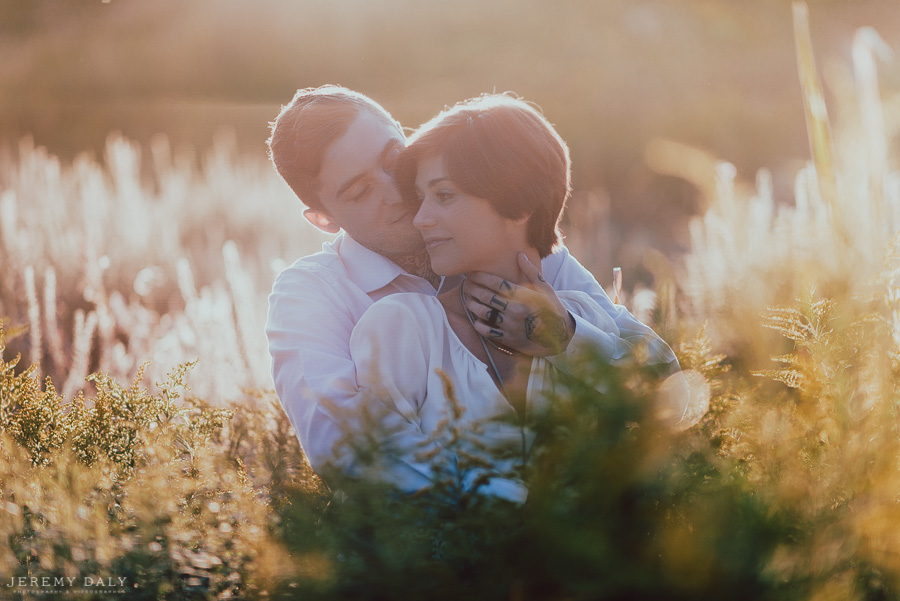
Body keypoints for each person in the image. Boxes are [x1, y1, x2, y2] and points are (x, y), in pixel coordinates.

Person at [265, 86, 681, 494]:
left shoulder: (516, 249)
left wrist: (566, 337)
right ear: (323, 219)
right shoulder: (310, 295)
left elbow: (662, 382)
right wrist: (516, 510)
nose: (396, 192)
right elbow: (345, 448)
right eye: (360, 192)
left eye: (395, 159)